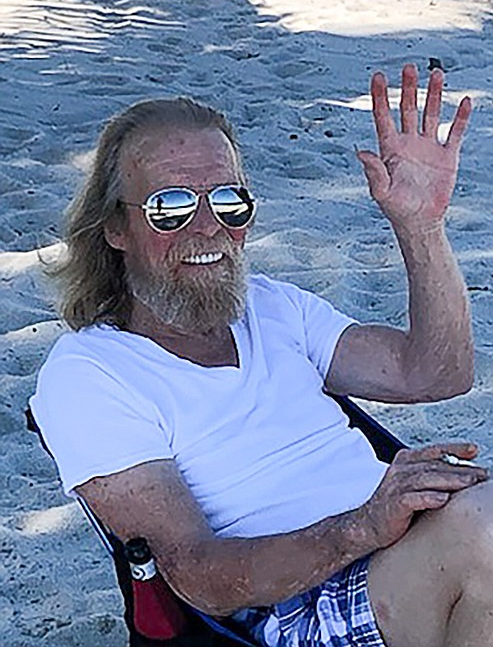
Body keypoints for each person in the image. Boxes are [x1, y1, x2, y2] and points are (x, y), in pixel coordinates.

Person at [30, 62, 492, 647]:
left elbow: (436, 373)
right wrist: (363, 527)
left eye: (229, 202)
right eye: (170, 207)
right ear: (114, 228)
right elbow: (196, 576)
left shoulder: (272, 307)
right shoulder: (90, 375)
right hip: (292, 609)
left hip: (404, 550)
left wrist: (421, 228)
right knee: (483, 532)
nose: (208, 228)